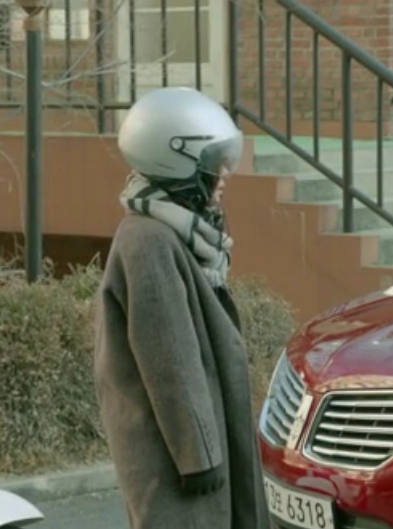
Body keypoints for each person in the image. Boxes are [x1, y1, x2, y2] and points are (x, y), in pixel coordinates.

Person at [92, 87, 268, 529]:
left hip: (197, 450)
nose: (224, 173)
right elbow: (169, 359)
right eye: (214, 162)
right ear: (178, 162)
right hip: (177, 465)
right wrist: (199, 455)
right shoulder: (149, 241)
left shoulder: (175, 232)